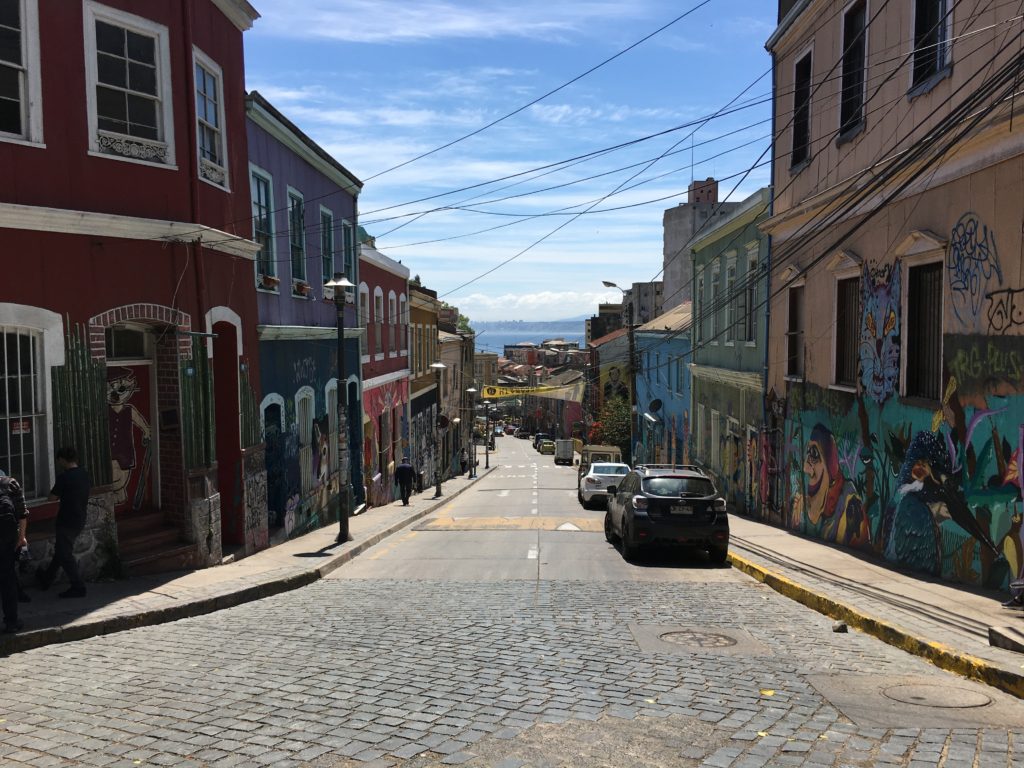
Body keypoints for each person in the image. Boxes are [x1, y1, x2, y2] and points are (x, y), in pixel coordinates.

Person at [37, 447, 91, 599]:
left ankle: (78, 586)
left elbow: (52, 498)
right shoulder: (84, 474)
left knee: (64, 554)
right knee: (61, 551)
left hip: (66, 520)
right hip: (80, 518)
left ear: (62, 459)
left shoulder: (64, 478)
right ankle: (47, 578)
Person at [0, 470, 28, 633]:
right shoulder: (11, 483)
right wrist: (21, 537)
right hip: (7, 538)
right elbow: (23, 514)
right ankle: (11, 621)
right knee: (8, 579)